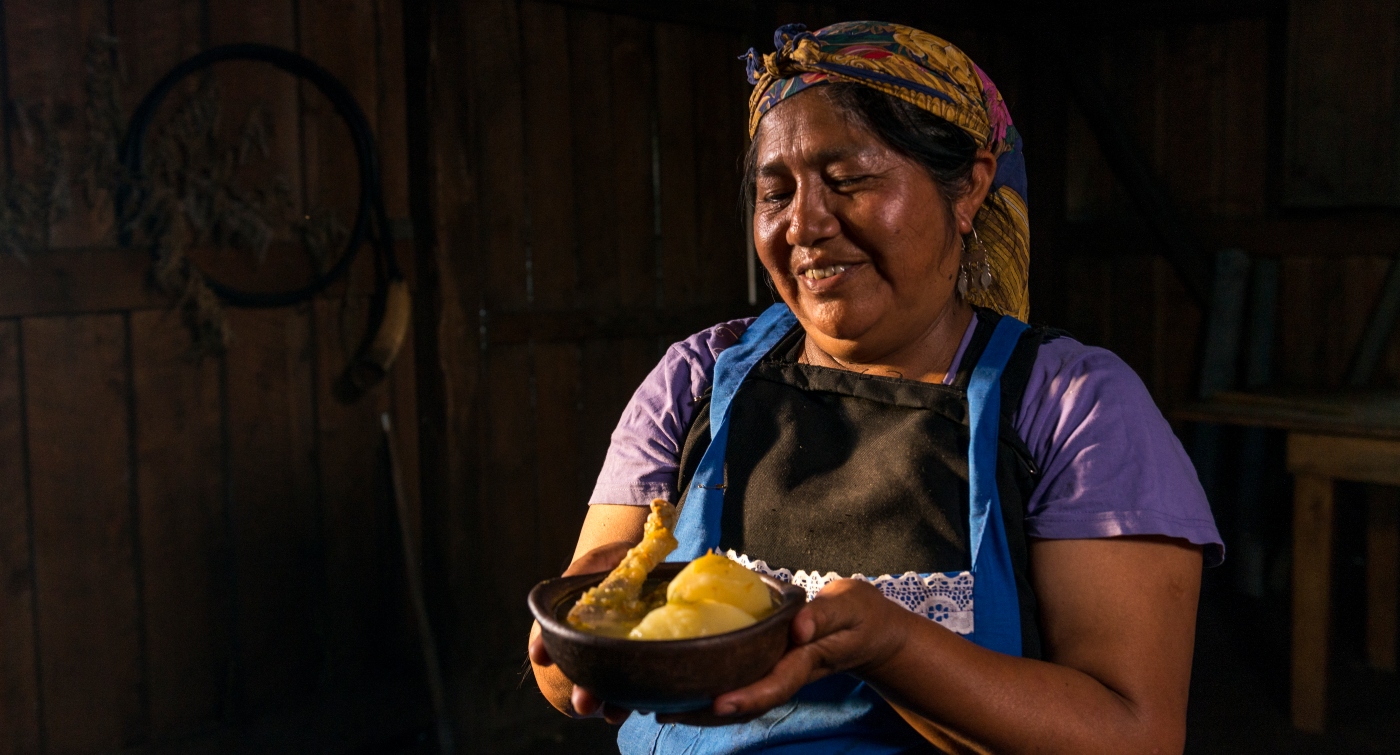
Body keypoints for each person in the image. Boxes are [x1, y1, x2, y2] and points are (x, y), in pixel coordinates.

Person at [529, 20, 1222, 754]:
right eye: (775, 193)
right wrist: (582, 635)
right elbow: (564, 661)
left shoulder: (1071, 405)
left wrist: (889, 645)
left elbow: (1134, 735)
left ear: (969, 188)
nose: (804, 224)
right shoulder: (695, 377)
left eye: (848, 180)